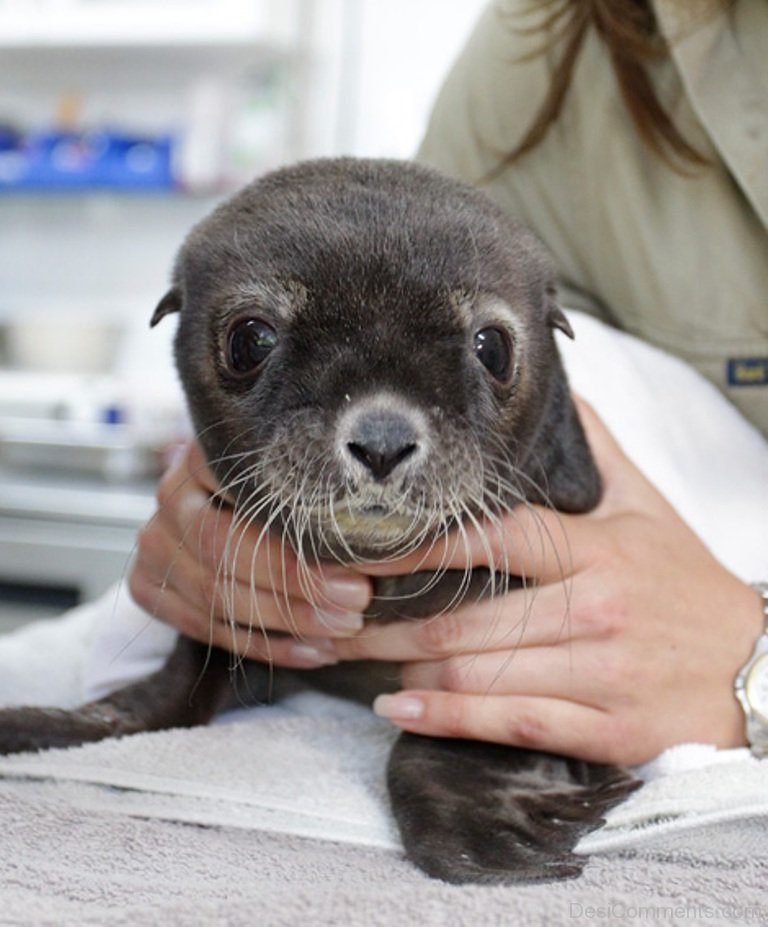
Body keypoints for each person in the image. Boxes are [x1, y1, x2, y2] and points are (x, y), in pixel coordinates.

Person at [128, 0, 767, 766]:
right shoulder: (553, 40)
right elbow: (414, 287)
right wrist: (205, 546)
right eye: (250, 343)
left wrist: (750, 663)